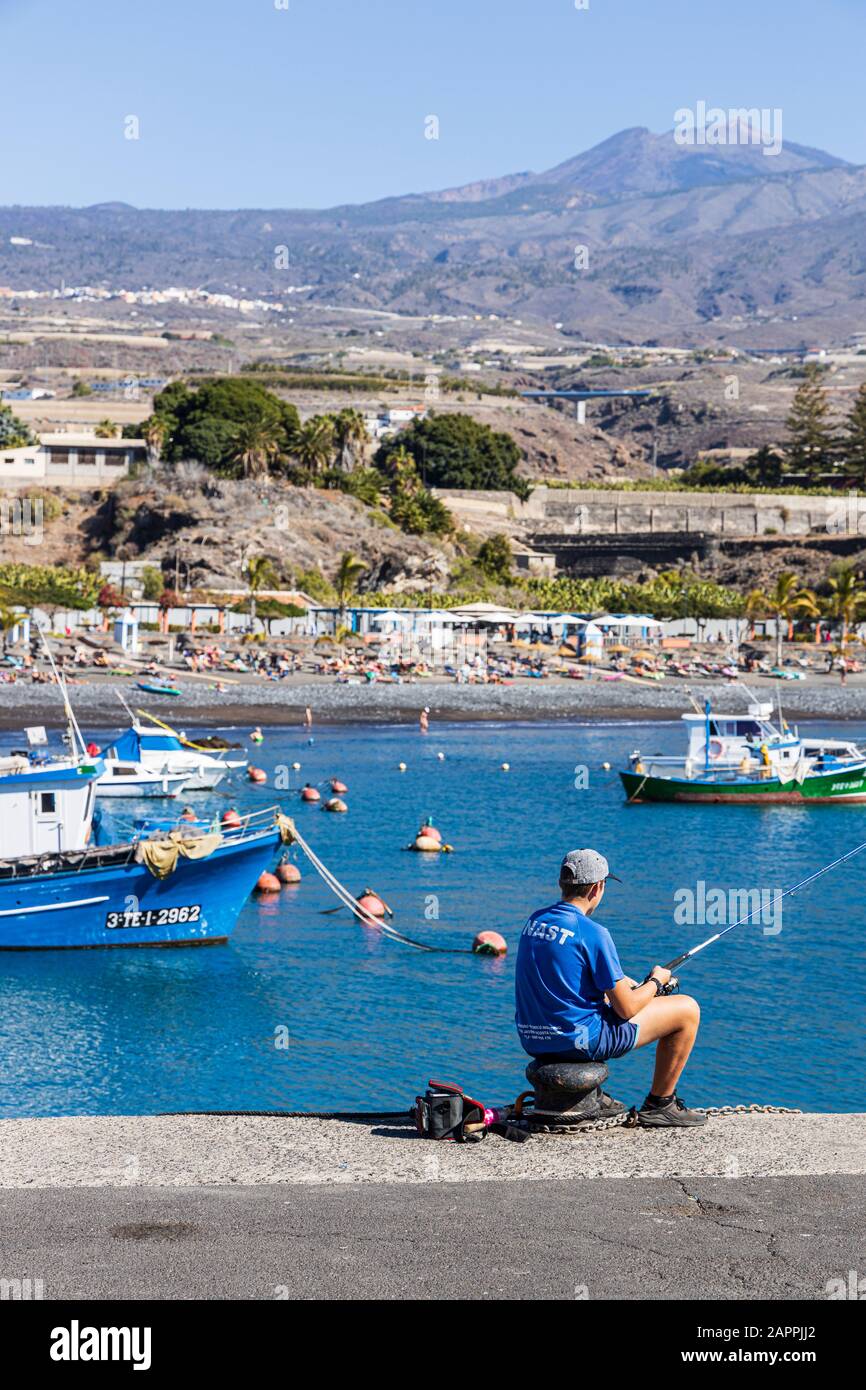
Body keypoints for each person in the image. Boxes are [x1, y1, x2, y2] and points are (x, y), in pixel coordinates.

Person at [515, 849, 706, 1127]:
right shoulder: (593, 932)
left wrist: (621, 985)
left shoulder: (535, 922)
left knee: (606, 1003)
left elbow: (565, 980)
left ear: (562, 884)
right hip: (579, 1041)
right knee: (687, 1010)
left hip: (534, 1038)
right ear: (597, 887)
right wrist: (656, 982)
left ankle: (593, 1096)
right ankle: (660, 1104)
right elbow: (626, 1008)